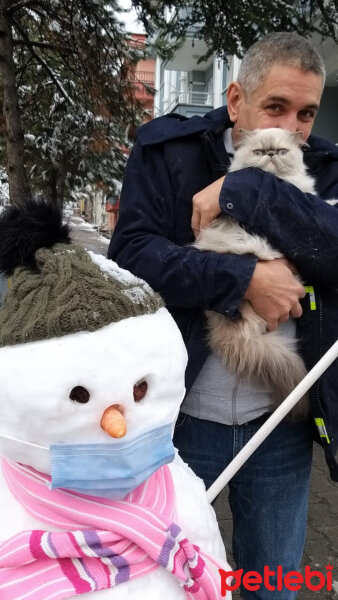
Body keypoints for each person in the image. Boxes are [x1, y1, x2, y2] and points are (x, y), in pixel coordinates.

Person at [108, 32, 338, 599]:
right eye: (275, 107)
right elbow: (131, 257)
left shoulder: (328, 166)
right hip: (179, 415)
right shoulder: (168, 151)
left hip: (280, 422)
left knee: (274, 584)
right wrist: (242, 281)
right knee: (172, 579)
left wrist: (245, 189)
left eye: (306, 113)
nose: (291, 129)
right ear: (236, 100)